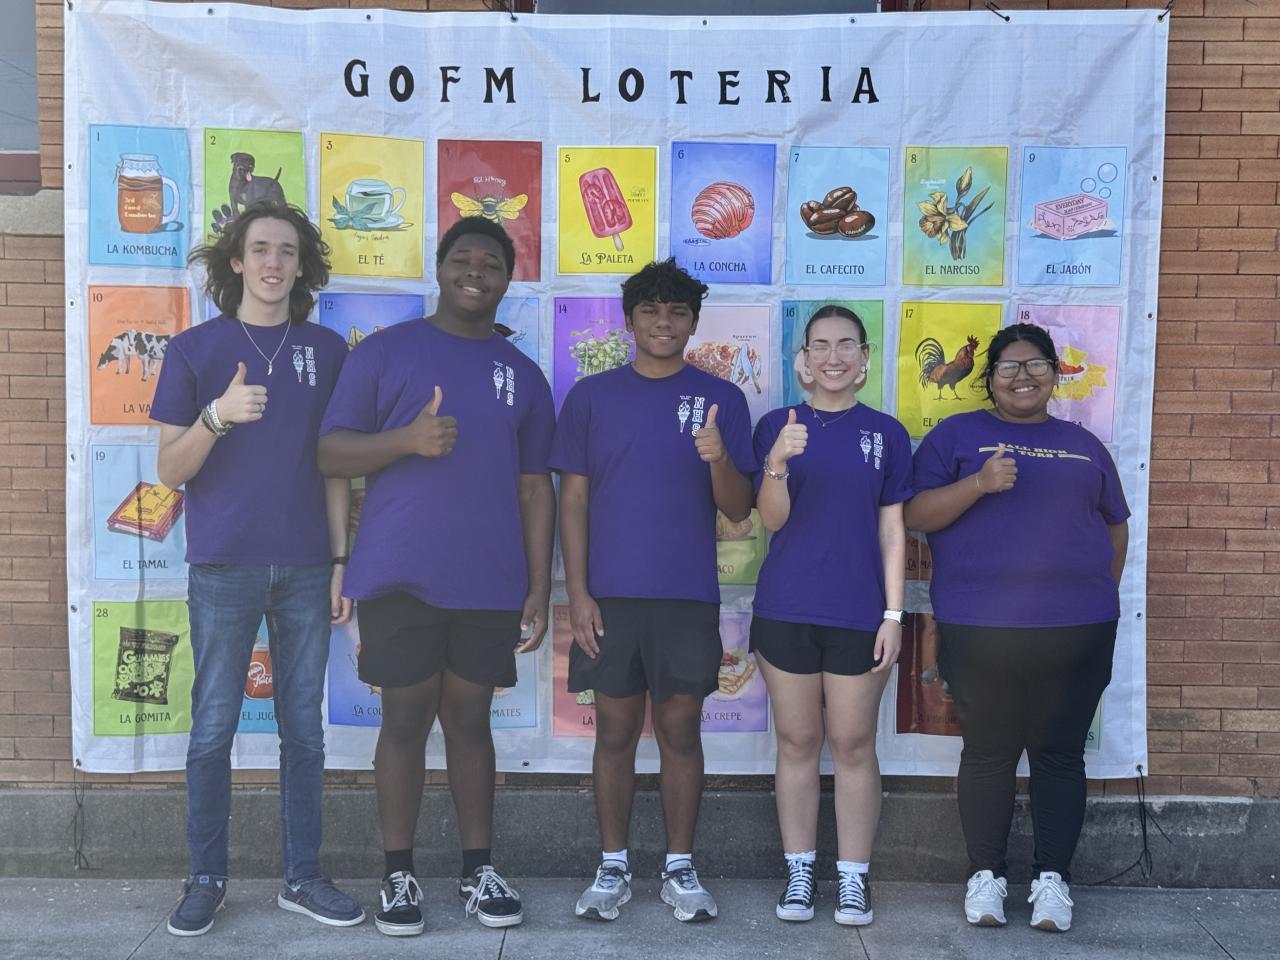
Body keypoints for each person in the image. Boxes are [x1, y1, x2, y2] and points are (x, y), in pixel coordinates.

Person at [317, 217, 555, 936]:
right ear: (440, 266)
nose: (475, 271)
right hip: (399, 574)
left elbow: (535, 488)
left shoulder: (523, 375)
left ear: (508, 279)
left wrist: (539, 586)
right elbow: (330, 453)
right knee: (404, 721)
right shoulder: (384, 353)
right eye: (463, 258)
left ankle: (479, 870)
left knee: (471, 721)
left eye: (492, 262)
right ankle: (398, 873)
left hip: (489, 579)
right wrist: (407, 441)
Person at [151, 199, 363, 936]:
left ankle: (302, 877)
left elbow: (336, 469)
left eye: (287, 251)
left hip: (307, 565)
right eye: (261, 249)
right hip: (223, 566)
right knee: (212, 728)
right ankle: (206, 877)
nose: (274, 262)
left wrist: (340, 560)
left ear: (301, 267)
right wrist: (217, 416)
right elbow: (169, 471)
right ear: (236, 262)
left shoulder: (328, 351)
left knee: (303, 729)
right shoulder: (193, 350)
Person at [903, 323, 1129, 934]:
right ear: (990, 377)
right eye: (1009, 366)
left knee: (1059, 755)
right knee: (989, 753)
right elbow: (916, 513)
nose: (1023, 376)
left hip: (1077, 629)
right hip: (981, 628)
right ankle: (986, 876)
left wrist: (1099, 595)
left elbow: (1115, 528)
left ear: (1054, 374)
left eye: (1036, 365)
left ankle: (1053, 880)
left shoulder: (1084, 445)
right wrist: (979, 483)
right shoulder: (956, 436)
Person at [552, 258, 755, 924]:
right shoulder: (592, 397)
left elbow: (738, 508)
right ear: (629, 320)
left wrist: (718, 458)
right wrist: (579, 593)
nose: (663, 323)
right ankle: (612, 866)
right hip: (609, 596)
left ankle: (679, 867)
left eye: (677, 312)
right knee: (613, 730)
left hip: (686, 596)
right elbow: (573, 500)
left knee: (679, 729)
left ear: (693, 323)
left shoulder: (722, 399)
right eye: (650, 311)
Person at [751, 305, 910, 926]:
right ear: (803, 360)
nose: (833, 356)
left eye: (847, 344)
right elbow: (771, 519)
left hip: (859, 613)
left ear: (865, 357)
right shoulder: (777, 425)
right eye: (820, 345)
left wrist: (893, 613)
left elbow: (892, 529)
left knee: (852, 743)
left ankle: (852, 878)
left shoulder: (886, 433)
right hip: (786, 608)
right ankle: (799, 872)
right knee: (796, 741)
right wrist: (777, 463)